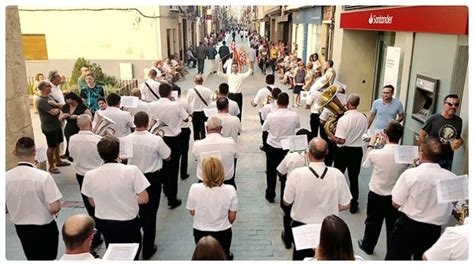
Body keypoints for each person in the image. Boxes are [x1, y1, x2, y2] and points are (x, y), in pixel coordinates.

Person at [386, 138, 457, 260]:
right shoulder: (452, 178)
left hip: (408, 226)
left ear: (422, 154)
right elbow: (457, 206)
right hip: (433, 231)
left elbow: (396, 203)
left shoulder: (411, 174)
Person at [81, 136, 150, 260]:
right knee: (132, 254)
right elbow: (144, 198)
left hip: (105, 223)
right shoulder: (131, 170)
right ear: (118, 152)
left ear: (99, 154)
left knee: (111, 252)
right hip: (128, 222)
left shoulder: (89, 175)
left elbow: (92, 203)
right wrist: (127, 200)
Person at [283, 138, 352, 260]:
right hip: (329, 227)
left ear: (308, 153)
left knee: (300, 257)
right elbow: (346, 204)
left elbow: (286, 202)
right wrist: (329, 206)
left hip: (301, 226)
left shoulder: (296, 174)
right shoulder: (337, 174)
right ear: (326, 153)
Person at [6, 137, 62, 260]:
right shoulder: (43, 176)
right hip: (44, 228)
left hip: (21, 228)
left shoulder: (5, 177)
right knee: (48, 259)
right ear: (34, 152)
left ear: (15, 152)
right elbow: (55, 207)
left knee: (32, 258)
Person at [124, 111, 171, 260]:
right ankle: (148, 248)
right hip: (152, 179)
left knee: (136, 210)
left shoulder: (126, 139)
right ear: (148, 123)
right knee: (151, 213)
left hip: (131, 177)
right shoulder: (155, 140)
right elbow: (168, 156)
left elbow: (123, 158)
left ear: (135, 123)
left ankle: (134, 241)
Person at [358, 121, 409, 256]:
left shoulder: (376, 153)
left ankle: (368, 245)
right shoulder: (406, 156)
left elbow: (365, 164)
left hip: (376, 193)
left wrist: (371, 144)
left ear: (386, 135)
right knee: (392, 227)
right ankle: (390, 252)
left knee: (372, 222)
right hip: (395, 197)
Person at [186, 157, 238, 260]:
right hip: (223, 231)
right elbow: (232, 216)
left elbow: (192, 211)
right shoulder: (230, 190)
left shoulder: (194, 188)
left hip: (200, 230)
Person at [149, 83, 190, 209]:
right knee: (173, 168)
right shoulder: (176, 105)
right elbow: (186, 118)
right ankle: (172, 197)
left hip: (158, 137)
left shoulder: (152, 105)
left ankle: (165, 189)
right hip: (173, 138)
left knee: (162, 166)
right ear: (170, 93)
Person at [68, 114, 104, 250]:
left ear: (78, 126)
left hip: (81, 175)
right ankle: (101, 229)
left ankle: (95, 234)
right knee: (100, 203)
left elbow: (71, 155)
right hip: (97, 175)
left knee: (90, 206)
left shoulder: (72, 139)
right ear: (91, 124)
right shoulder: (97, 139)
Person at [330, 94, 368, 213]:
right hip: (357, 151)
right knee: (353, 178)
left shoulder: (343, 119)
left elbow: (341, 140)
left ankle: (335, 200)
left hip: (343, 151)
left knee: (337, 175)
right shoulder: (363, 117)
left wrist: (332, 137)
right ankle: (354, 204)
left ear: (347, 104)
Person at [276, 128, 312, 249]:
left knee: (288, 214)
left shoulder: (291, 156)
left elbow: (280, 171)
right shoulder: (314, 155)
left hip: (293, 189)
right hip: (308, 190)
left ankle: (287, 238)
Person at [263, 92, 300, 203]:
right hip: (288, 146)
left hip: (273, 145)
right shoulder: (294, 115)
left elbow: (264, 128)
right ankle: (285, 195)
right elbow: (298, 126)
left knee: (271, 171)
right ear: (288, 103)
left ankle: (270, 194)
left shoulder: (271, 115)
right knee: (286, 171)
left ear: (277, 102)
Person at [418, 94, 463, 170]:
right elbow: (422, 135)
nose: (453, 107)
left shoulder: (459, 121)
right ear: (444, 104)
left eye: (456, 104)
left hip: (448, 160)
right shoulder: (434, 118)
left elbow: (458, 138)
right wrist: (421, 153)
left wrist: (459, 142)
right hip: (433, 159)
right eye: (450, 104)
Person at [191, 116, 239, 188]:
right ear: (221, 128)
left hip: (204, 182)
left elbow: (195, 158)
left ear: (206, 128)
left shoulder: (197, 145)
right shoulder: (230, 142)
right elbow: (236, 156)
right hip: (226, 181)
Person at [36, 80, 70, 174]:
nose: (50, 87)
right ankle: (51, 166)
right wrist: (59, 109)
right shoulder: (41, 101)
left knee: (58, 144)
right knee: (51, 146)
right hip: (49, 127)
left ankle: (58, 161)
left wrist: (58, 107)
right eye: (48, 86)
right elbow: (53, 112)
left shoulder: (50, 97)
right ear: (43, 88)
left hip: (56, 124)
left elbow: (61, 105)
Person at [60, 92, 92, 160]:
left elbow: (89, 117)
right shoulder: (65, 107)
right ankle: (69, 154)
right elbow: (60, 118)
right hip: (69, 127)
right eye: (69, 103)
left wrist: (78, 117)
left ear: (75, 100)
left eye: (72, 103)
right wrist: (63, 116)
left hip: (79, 127)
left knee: (80, 142)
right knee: (70, 141)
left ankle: (80, 155)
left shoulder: (82, 106)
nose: (71, 104)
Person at [175, 86, 193, 180]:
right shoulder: (184, 101)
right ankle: (183, 173)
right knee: (184, 152)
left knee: (174, 153)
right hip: (184, 129)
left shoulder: (169, 103)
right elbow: (190, 112)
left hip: (172, 131)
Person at [187, 75, 212, 140]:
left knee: (195, 129)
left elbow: (188, 102)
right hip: (204, 112)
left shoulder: (190, 91)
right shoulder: (208, 90)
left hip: (194, 112)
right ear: (202, 81)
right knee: (203, 128)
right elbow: (210, 102)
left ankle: (197, 142)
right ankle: (204, 140)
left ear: (194, 81)